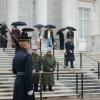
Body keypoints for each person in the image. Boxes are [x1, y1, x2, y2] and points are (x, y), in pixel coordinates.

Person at [12, 34, 35, 100]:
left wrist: (20, 72)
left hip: (18, 82)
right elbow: (28, 74)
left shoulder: (16, 55)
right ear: (25, 44)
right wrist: (30, 88)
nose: (29, 44)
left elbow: (14, 70)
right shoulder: (28, 55)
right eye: (28, 43)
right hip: (25, 84)